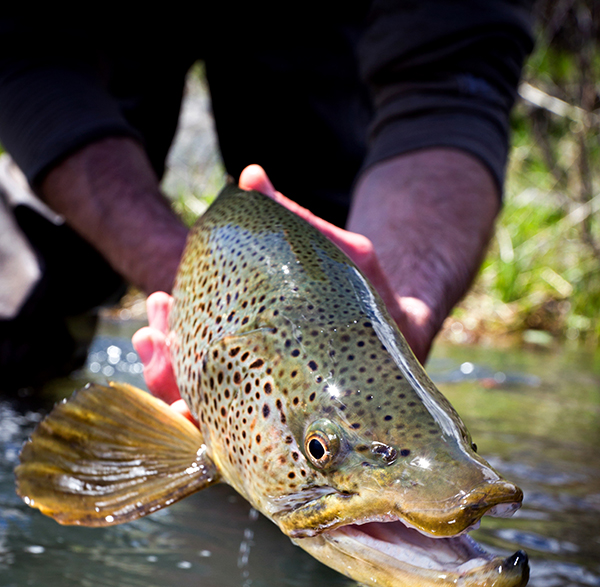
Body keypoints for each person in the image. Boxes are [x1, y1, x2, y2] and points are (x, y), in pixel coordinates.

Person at [0, 3, 533, 395]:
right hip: (87, 29)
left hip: (316, 28)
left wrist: (397, 312)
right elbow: (28, 59)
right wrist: (200, 291)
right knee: (35, 290)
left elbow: (451, 84)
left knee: (330, 364)